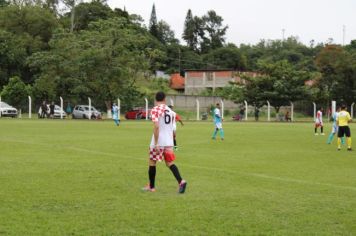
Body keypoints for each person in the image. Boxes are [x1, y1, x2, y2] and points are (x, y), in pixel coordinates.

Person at [142, 91, 187, 193]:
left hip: (159, 141)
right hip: (169, 141)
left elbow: (157, 126)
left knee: (152, 162)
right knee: (170, 163)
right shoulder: (170, 111)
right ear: (165, 99)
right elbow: (175, 120)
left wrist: (156, 143)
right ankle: (181, 181)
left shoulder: (155, 109)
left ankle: (151, 187)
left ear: (155, 99)